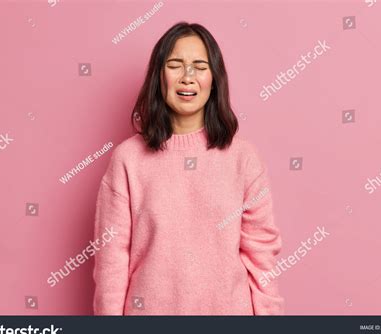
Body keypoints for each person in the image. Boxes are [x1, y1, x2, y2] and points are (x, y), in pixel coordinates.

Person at [93, 21, 284, 315]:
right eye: (175, 65)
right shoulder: (127, 160)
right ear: (159, 76)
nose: (188, 77)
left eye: (199, 66)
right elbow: (111, 261)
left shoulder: (244, 159)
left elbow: (262, 260)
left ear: (214, 79)